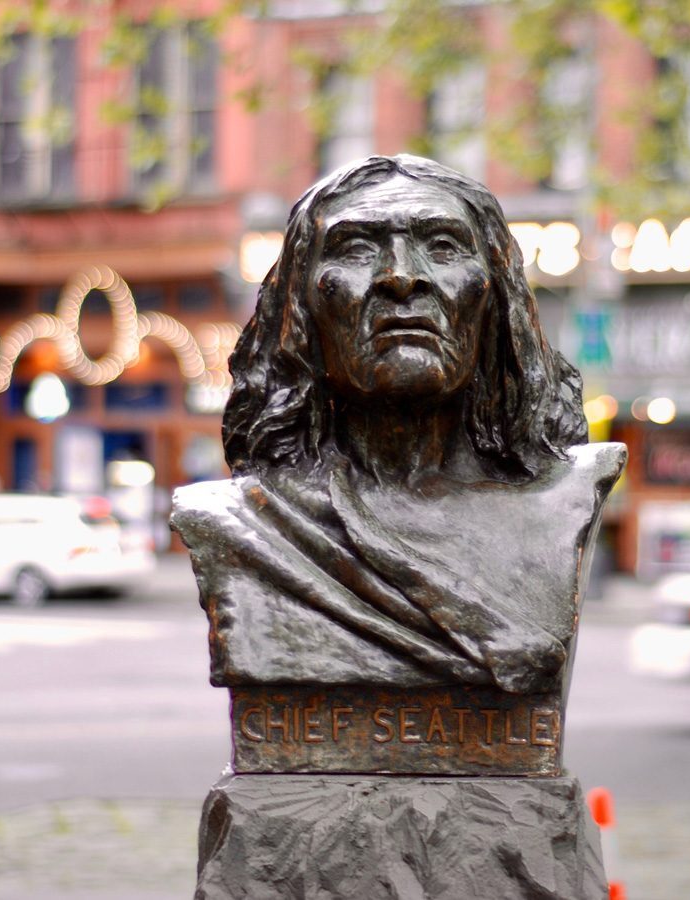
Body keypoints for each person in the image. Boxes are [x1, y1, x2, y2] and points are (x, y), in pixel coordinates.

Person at [172, 155, 624, 695]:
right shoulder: (235, 521)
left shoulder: (567, 496)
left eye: (443, 246)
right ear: (302, 305)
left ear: (494, 296)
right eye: (357, 249)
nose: (402, 278)